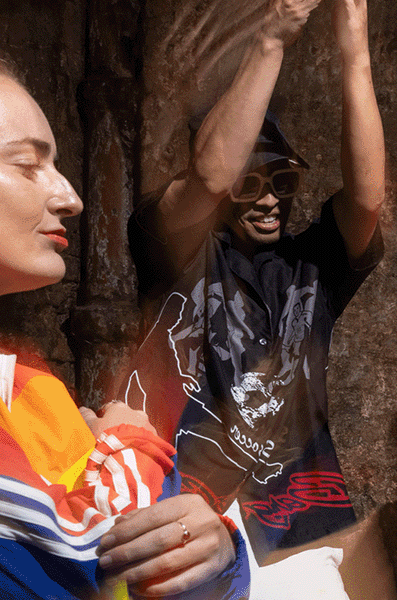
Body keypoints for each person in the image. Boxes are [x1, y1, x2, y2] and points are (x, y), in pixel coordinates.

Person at [120, 0, 384, 561]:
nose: (268, 200)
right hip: (181, 508)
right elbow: (209, 175)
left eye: (282, 181)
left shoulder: (309, 267)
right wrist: (271, 39)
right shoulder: (177, 248)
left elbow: (365, 200)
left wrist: (356, 54)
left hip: (294, 525)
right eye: (250, 184)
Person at [0, 59, 249, 598]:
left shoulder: (28, 383)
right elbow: (85, 571)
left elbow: (139, 569)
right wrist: (131, 443)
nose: (71, 198)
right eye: (26, 165)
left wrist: (215, 554)